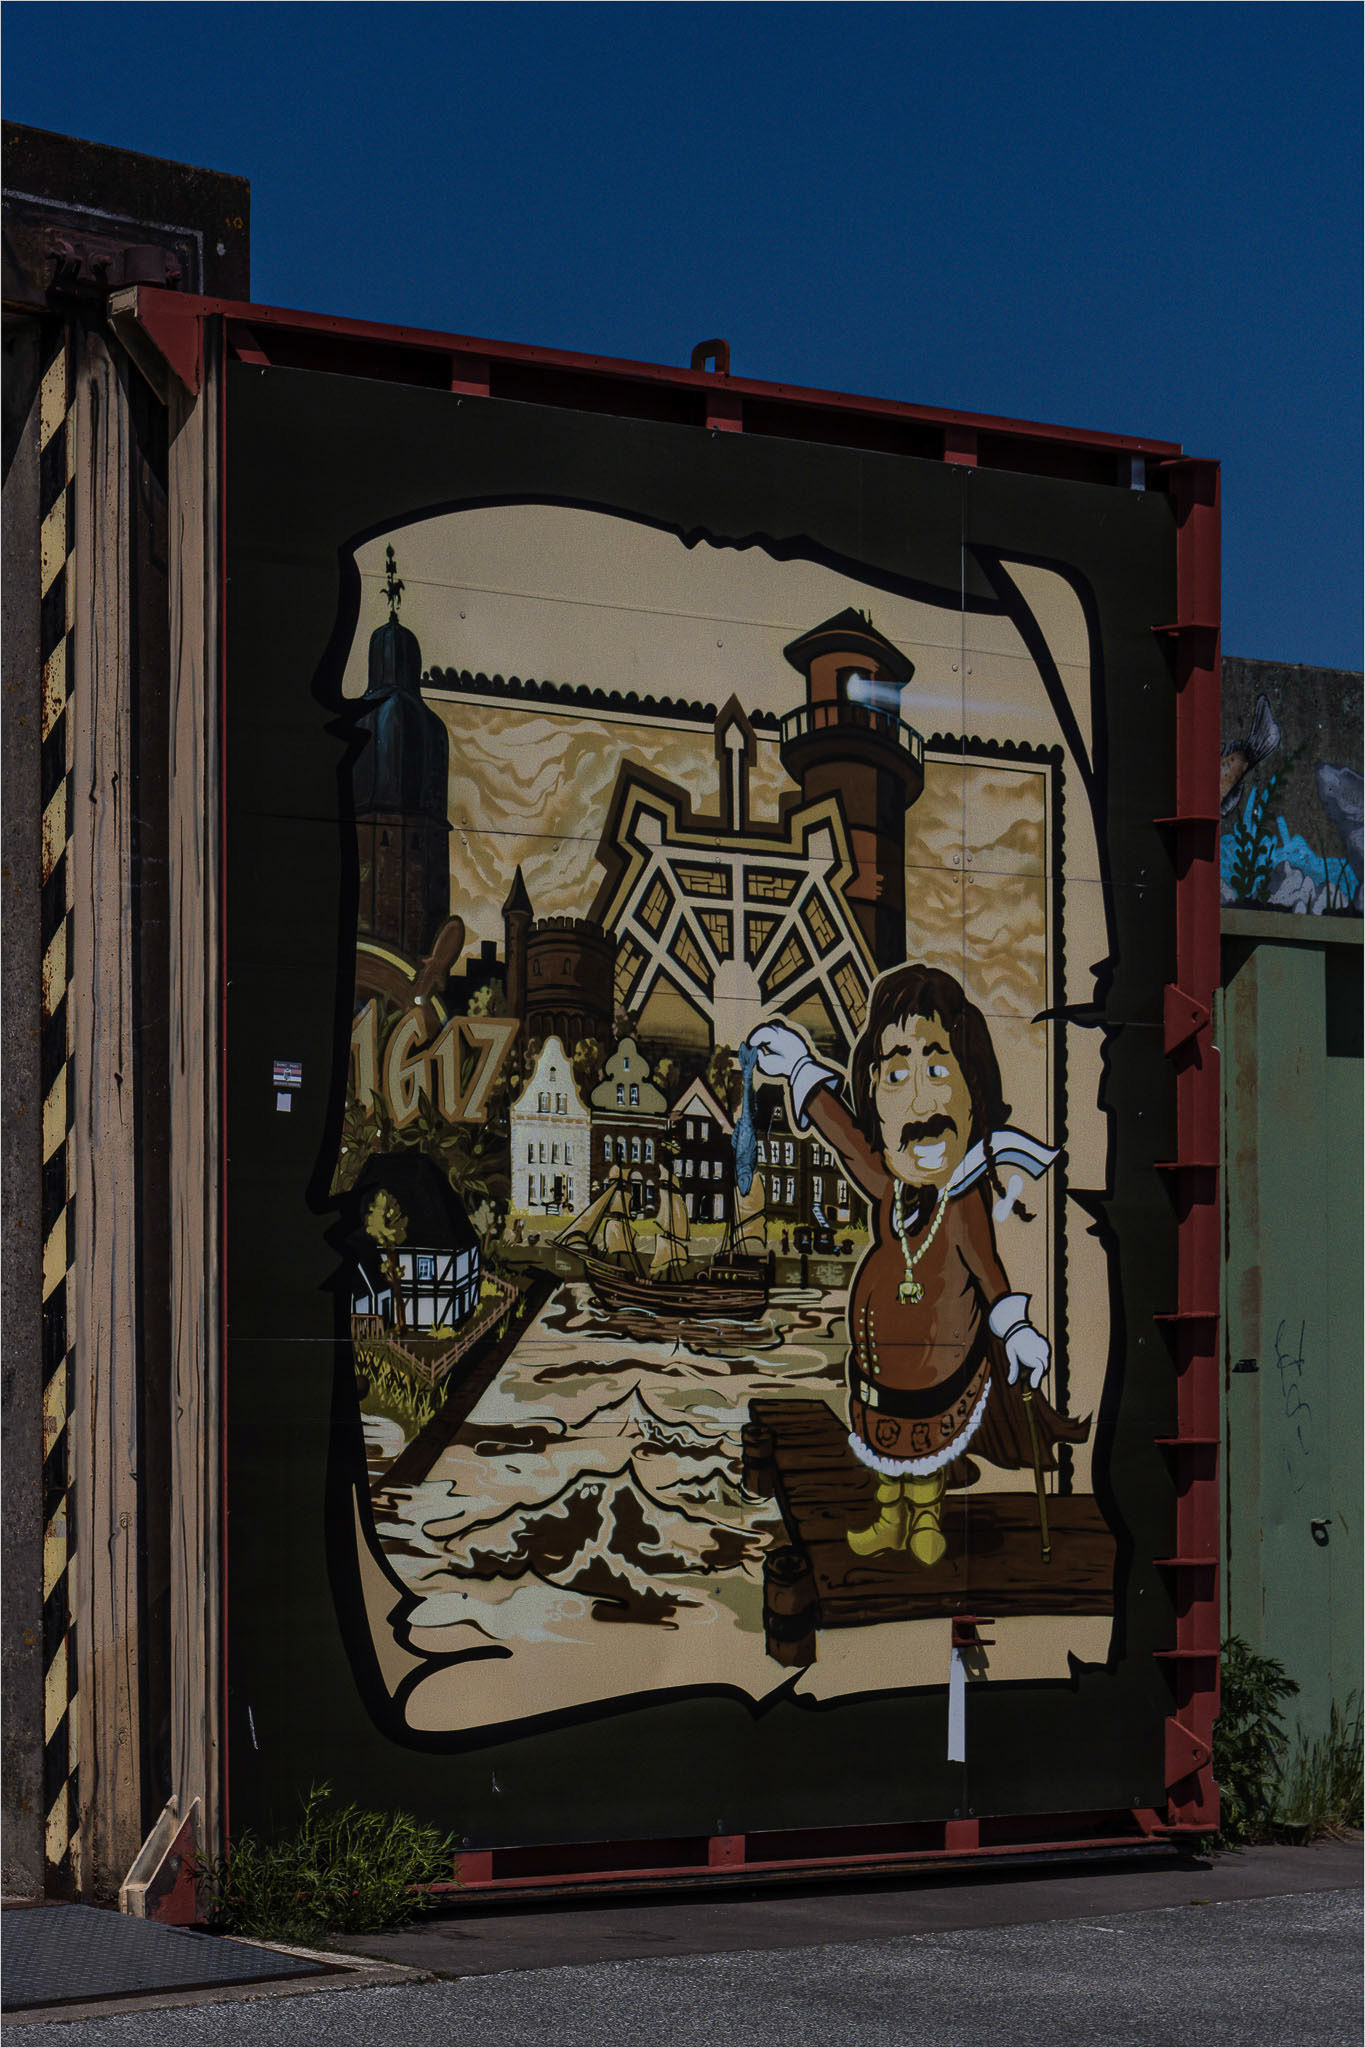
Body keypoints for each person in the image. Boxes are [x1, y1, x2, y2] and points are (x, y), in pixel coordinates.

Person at [747, 963, 1088, 1565]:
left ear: (973, 1090)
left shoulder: (964, 1202)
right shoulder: (892, 1187)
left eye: (937, 1070)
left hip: (937, 1383)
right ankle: (890, 1518)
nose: (920, 1100)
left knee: (925, 1458)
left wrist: (1016, 1330)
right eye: (897, 1074)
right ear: (875, 1095)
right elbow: (847, 1140)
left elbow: (988, 1273)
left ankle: (925, 1519)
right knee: (888, 1456)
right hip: (881, 1381)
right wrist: (800, 1067)